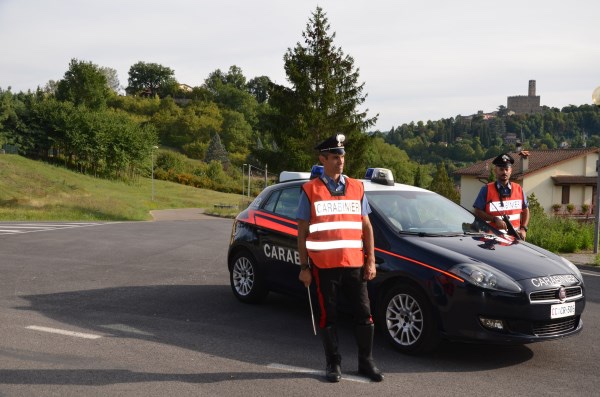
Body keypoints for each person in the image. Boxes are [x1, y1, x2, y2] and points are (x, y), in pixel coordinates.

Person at [296, 134, 383, 383]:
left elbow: (367, 227)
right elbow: (302, 232)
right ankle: (333, 364)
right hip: (324, 268)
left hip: (355, 265)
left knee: (364, 315)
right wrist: (304, 267)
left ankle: (367, 363)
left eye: (342, 156)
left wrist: (370, 260)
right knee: (328, 317)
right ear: (322, 159)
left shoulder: (357, 187)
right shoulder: (310, 190)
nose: (340, 161)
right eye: (335, 157)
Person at [473, 153, 530, 240]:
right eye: (501, 169)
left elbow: (526, 210)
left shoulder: (519, 189)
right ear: (496, 170)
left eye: (507, 169)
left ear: (511, 171)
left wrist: (523, 229)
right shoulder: (486, 189)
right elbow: (477, 211)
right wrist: (494, 219)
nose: (504, 172)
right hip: (492, 240)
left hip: (515, 239)